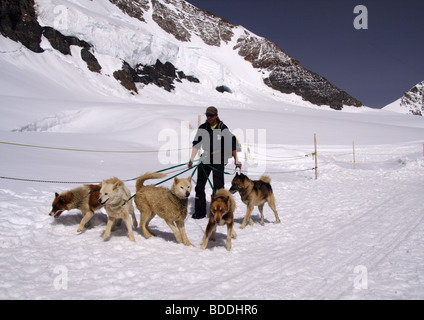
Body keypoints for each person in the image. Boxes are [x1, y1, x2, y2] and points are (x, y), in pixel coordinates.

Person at [188, 106, 242, 219]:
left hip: (218, 158)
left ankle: (220, 212)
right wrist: (191, 159)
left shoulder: (223, 128)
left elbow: (232, 145)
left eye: (211, 115)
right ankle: (200, 212)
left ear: (216, 115)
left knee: (218, 188)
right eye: (207, 115)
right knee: (199, 186)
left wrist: (237, 161)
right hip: (206, 157)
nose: (209, 117)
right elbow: (196, 144)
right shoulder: (203, 128)